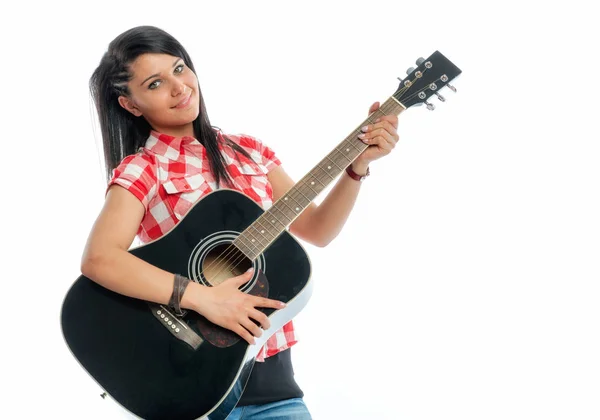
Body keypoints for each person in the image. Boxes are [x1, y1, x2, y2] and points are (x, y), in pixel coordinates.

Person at [81, 25, 399, 419]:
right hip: (191, 390)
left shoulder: (248, 151)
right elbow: (100, 259)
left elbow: (317, 230)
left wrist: (357, 167)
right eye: (156, 83)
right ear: (130, 105)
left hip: (276, 393)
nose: (179, 87)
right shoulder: (144, 168)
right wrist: (201, 297)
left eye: (180, 69)